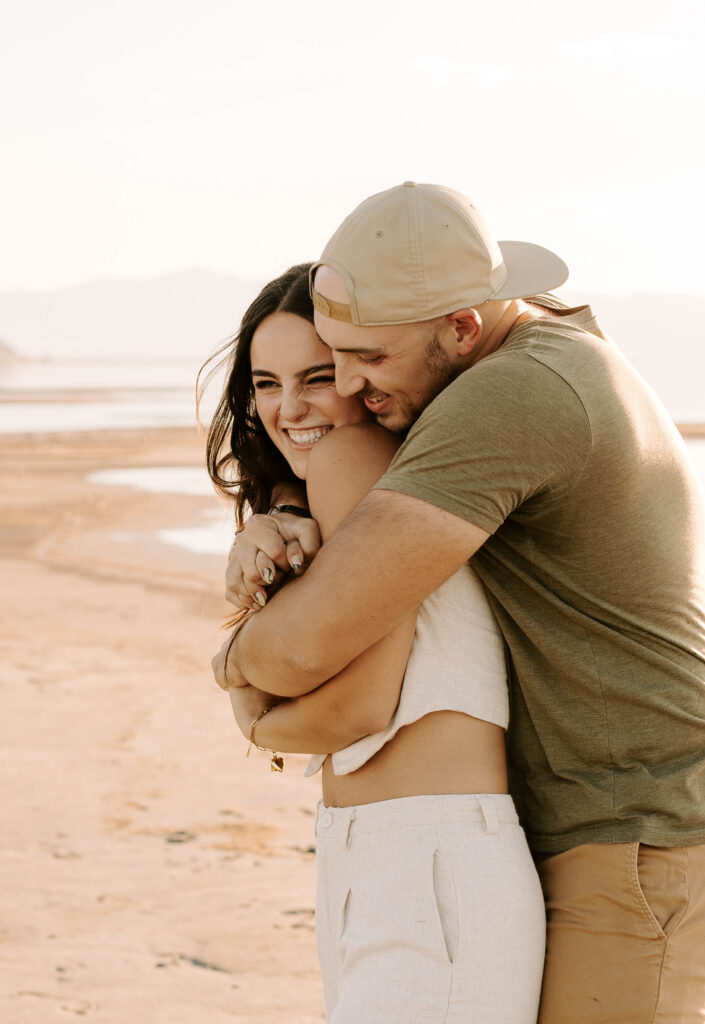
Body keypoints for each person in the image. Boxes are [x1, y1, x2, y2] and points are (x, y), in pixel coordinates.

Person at [218, 184, 705, 1024]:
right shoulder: (542, 362)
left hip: (636, 833)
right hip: (599, 826)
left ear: (461, 329)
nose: (353, 388)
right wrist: (289, 515)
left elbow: (310, 647)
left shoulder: (512, 392)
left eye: (364, 360)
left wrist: (231, 665)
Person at [206, 263, 546, 1023]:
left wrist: (248, 708)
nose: (287, 408)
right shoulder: (344, 485)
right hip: (383, 858)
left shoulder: (352, 457)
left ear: (361, 373)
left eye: (317, 376)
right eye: (264, 383)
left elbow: (359, 708)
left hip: (430, 858)